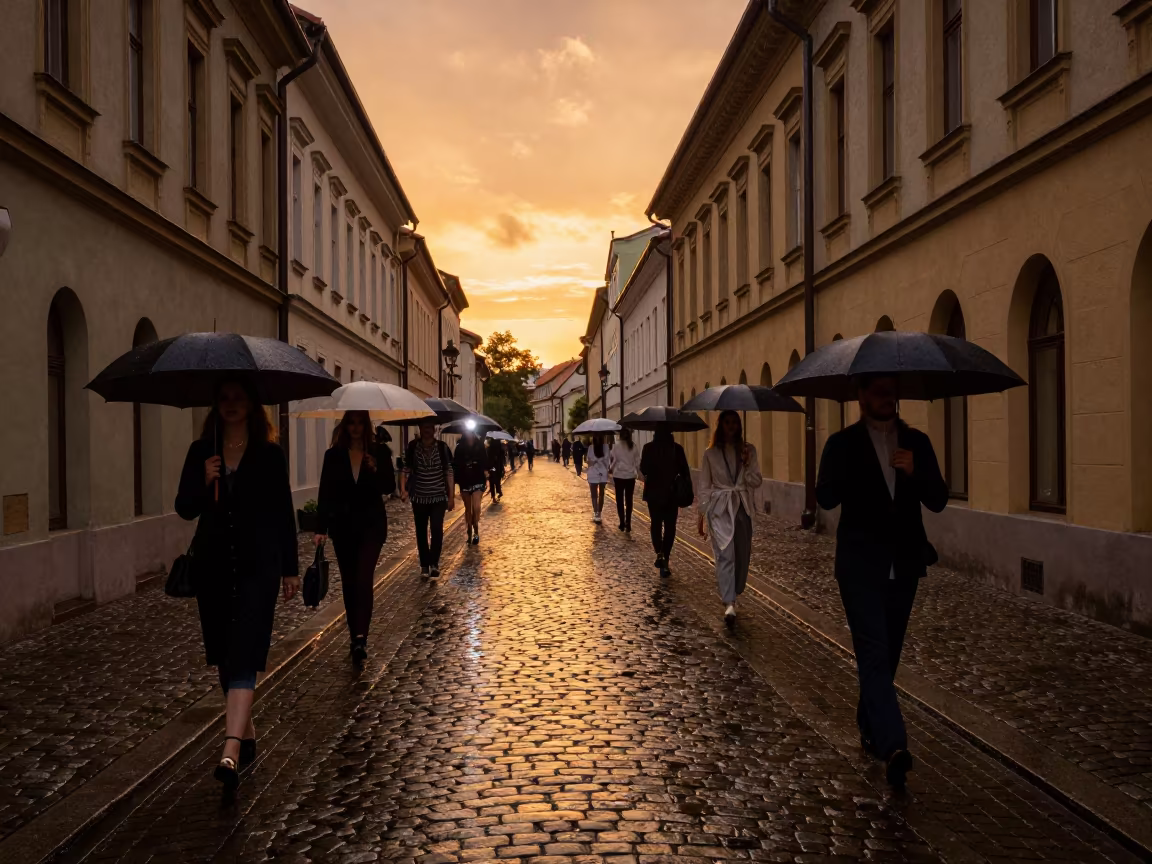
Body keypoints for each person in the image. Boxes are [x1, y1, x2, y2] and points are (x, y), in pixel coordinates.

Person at [816, 374, 948, 789]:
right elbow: (825, 496)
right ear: (861, 396)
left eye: (891, 389)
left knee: (887, 656)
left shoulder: (917, 443)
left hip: (903, 564)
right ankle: (894, 747)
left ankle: (869, 721)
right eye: (877, 390)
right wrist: (849, 471)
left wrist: (915, 471)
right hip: (859, 566)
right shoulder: (842, 444)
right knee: (873, 652)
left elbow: (938, 499)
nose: (886, 396)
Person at [175, 379, 298, 792]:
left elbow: (283, 511)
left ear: (251, 405)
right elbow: (184, 508)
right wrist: (202, 480)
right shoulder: (201, 451)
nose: (230, 404)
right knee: (224, 657)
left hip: (257, 567)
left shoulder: (269, 454)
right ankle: (245, 729)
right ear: (216, 404)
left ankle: (229, 750)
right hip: (212, 566)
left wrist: (290, 568)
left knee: (245, 650)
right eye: (224, 397)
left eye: (238, 397)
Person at [314, 411, 396, 666]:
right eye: (352, 422)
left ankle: (362, 637)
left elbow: (389, 486)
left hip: (371, 525)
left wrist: (376, 468)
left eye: (361, 423)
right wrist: (320, 528)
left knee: (363, 578)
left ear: (366, 425)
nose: (356, 427)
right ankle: (354, 635)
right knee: (349, 582)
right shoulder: (333, 455)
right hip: (343, 526)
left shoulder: (379, 452)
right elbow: (326, 491)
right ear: (346, 425)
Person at [697, 411, 762, 626]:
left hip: (742, 507)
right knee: (725, 554)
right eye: (727, 422)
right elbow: (705, 485)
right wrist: (702, 512)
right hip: (720, 508)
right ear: (721, 425)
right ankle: (729, 602)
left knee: (741, 554)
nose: (731, 426)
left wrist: (746, 464)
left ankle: (735, 590)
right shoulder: (711, 454)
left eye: (735, 422)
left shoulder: (749, 450)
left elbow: (756, 481)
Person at [399, 421, 455, 578]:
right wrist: (403, 489)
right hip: (419, 497)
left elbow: (449, 472)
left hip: (438, 496)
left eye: (430, 427)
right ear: (420, 429)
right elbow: (405, 469)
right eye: (424, 427)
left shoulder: (442, 448)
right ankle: (424, 565)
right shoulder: (413, 447)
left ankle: (434, 563)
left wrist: (451, 496)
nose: (427, 430)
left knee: (436, 529)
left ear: (434, 429)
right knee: (421, 531)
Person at [639, 428, 690, 578]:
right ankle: (665, 557)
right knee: (669, 526)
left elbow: (644, 469)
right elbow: (685, 471)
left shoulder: (648, 448)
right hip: (671, 493)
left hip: (653, 493)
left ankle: (659, 553)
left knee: (655, 524)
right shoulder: (677, 448)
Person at [453, 424, 488, 545]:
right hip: (465, 480)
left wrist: (485, 471)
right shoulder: (460, 447)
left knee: (476, 507)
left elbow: (485, 461)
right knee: (468, 508)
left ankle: (476, 529)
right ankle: (469, 530)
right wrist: (457, 478)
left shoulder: (480, 445)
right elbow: (456, 464)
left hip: (478, 479)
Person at [610, 428, 639, 532]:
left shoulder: (616, 446)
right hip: (630, 476)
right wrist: (637, 472)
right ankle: (628, 522)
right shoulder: (633, 446)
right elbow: (637, 462)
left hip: (619, 475)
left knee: (619, 499)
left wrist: (611, 468)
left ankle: (622, 522)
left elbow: (614, 459)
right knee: (629, 499)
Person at [584, 432, 610, 523]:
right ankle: (597, 513)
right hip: (598, 473)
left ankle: (597, 513)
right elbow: (607, 461)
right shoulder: (595, 447)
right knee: (598, 494)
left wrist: (594, 461)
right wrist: (599, 461)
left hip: (597, 473)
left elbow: (589, 461)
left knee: (597, 494)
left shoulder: (602, 447)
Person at [486, 436, 505, 501]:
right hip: (498, 467)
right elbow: (502, 459)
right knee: (497, 481)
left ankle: (494, 497)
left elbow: (487, 459)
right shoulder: (500, 449)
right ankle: (499, 492)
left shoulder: (489, 449)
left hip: (491, 467)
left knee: (492, 483)